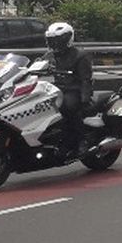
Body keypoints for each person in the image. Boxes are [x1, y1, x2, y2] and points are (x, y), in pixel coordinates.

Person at [43, 21, 93, 157]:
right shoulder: (51, 56)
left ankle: (82, 140)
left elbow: (85, 80)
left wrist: (85, 99)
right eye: (52, 40)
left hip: (74, 90)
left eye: (57, 40)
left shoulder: (80, 56)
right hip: (56, 89)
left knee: (68, 108)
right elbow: (37, 65)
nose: (54, 44)